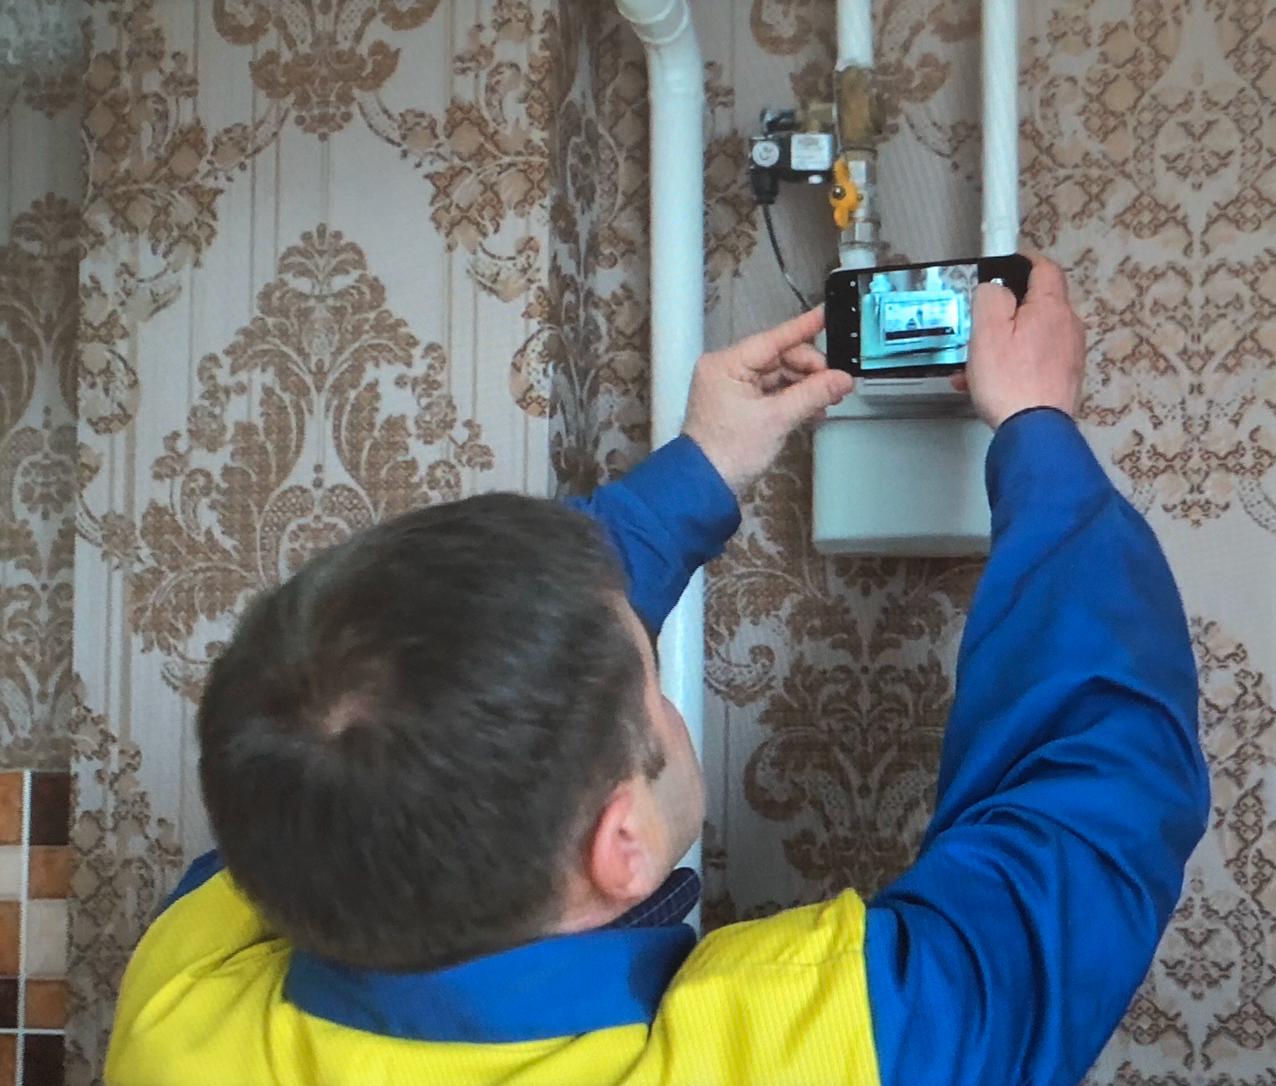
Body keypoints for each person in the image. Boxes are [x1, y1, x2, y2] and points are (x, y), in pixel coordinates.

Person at [106, 253, 1209, 1086]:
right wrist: (1038, 427)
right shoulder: (818, 1045)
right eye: (647, 677)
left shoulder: (183, 1003)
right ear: (621, 844)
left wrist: (705, 466)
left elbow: (415, 691)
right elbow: (1093, 791)